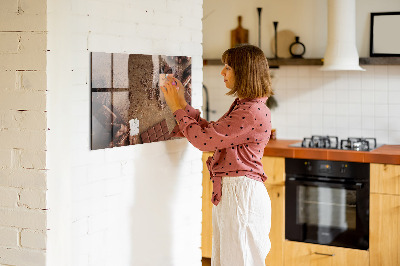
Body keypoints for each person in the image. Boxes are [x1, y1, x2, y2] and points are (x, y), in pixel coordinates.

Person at [161, 44, 273, 266]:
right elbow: (212, 133)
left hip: (241, 195)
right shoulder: (246, 106)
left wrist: (176, 108)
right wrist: (182, 104)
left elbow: (204, 141)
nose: (222, 72)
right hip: (236, 193)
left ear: (244, 72)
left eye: (228, 67)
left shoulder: (250, 111)